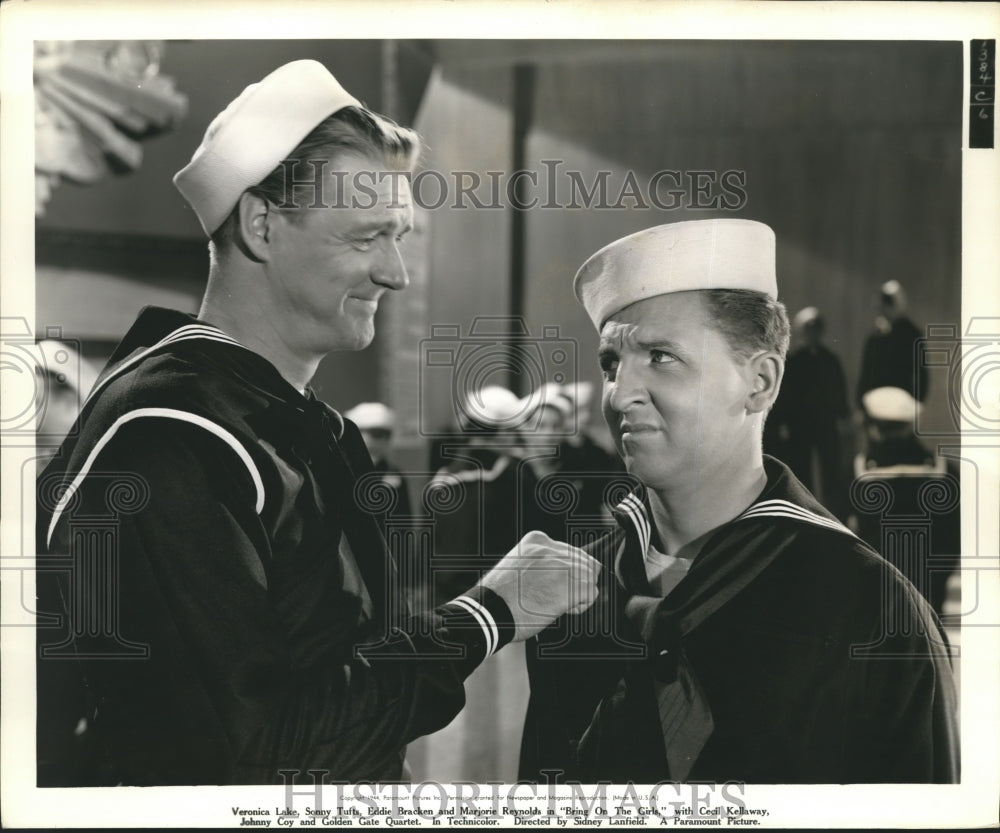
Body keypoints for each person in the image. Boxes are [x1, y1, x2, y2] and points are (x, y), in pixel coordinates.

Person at [35, 60, 600, 786]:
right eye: (366, 238)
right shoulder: (167, 434)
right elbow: (261, 752)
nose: (395, 272)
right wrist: (490, 612)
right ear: (262, 225)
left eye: (400, 236)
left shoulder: (304, 427)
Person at [520, 219, 958, 784]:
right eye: (612, 363)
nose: (620, 394)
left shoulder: (873, 611)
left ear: (760, 383)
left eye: (660, 357)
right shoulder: (578, 591)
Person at [853, 387, 960, 618]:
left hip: (878, 592)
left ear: (873, 429)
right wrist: (938, 583)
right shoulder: (943, 470)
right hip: (929, 590)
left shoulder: (858, 473)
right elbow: (953, 537)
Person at [765, 307, 850, 519]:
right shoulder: (792, 360)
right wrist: (779, 423)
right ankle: (803, 513)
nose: (813, 333)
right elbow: (783, 395)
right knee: (800, 472)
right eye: (809, 328)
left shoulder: (830, 359)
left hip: (825, 424)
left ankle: (832, 514)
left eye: (816, 329)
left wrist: (843, 414)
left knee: (830, 471)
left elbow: (839, 392)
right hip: (800, 426)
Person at [857, 279, 928, 405]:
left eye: (888, 304)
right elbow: (866, 372)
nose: (884, 309)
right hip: (876, 402)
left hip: (901, 403)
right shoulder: (875, 335)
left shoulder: (912, 334)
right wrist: (861, 403)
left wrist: (917, 403)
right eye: (883, 304)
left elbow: (921, 374)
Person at [344, 401, 412, 518]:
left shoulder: (394, 473)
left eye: (386, 434)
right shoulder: (344, 470)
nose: (382, 439)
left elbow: (404, 516)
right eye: (376, 433)